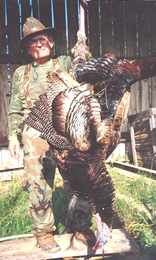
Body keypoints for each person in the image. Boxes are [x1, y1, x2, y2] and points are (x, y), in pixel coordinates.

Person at [8, 17, 95, 253]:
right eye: (33, 41)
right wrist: (12, 136)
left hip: (66, 130)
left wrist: (82, 39)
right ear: (27, 48)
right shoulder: (21, 73)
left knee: (78, 180)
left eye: (42, 39)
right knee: (39, 183)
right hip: (34, 134)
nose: (39, 44)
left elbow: (83, 66)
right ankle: (44, 232)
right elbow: (15, 108)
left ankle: (81, 228)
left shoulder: (65, 63)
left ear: (51, 42)